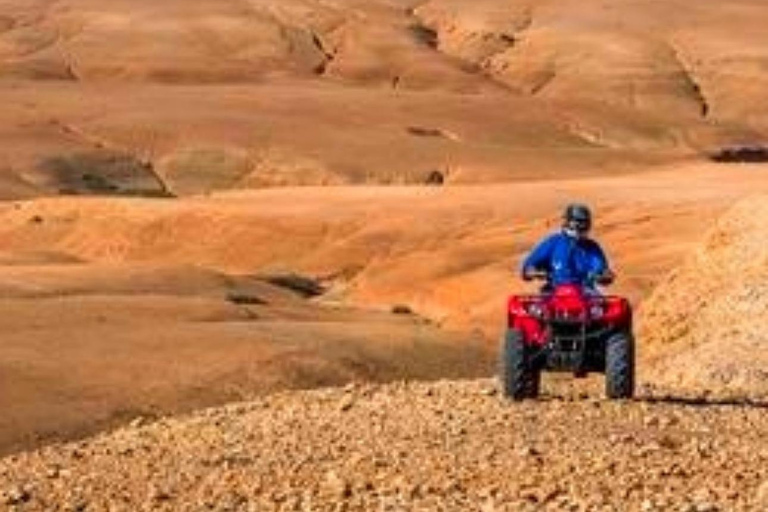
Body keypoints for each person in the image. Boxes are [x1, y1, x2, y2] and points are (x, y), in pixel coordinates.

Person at [521, 203, 614, 291]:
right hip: (554, 291)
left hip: (586, 294)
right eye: (576, 222)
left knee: (616, 306)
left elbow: (601, 268)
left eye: (583, 223)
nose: (579, 226)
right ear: (568, 221)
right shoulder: (553, 242)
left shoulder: (592, 247)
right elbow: (529, 266)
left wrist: (604, 275)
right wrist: (533, 271)